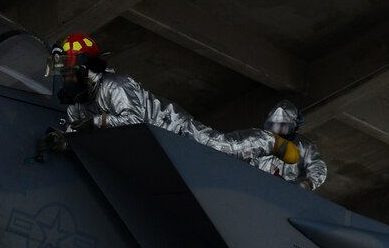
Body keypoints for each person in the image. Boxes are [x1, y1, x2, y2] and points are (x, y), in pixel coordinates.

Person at [46, 34, 263, 157]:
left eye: (70, 74)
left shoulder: (115, 86)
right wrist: (62, 141)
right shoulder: (77, 105)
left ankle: (271, 142)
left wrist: (96, 121)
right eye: (64, 76)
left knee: (224, 150)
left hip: (174, 129)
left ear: (86, 71)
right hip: (154, 148)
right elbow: (75, 134)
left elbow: (134, 120)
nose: (68, 81)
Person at [230, 101, 328, 190]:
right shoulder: (262, 141)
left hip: (286, 194)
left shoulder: (305, 147)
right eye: (272, 126)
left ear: (293, 126)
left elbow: (318, 168)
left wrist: (306, 184)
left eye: (282, 127)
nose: (276, 131)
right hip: (257, 189)